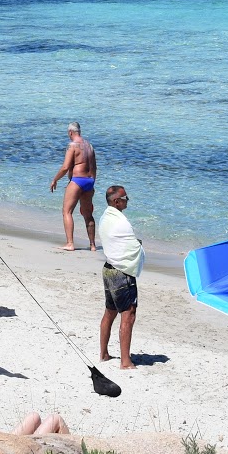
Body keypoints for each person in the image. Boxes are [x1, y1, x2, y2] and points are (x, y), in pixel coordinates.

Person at [98, 185, 141, 370]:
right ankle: (125, 362)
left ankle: (104, 354)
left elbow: (119, 243)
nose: (127, 200)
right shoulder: (121, 222)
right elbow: (132, 246)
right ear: (116, 201)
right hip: (121, 272)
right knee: (128, 314)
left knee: (110, 311)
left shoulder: (105, 217)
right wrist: (138, 245)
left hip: (108, 268)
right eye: (125, 198)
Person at [48, 122, 97, 251]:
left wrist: (55, 179)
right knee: (88, 213)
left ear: (70, 132)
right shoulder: (89, 146)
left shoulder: (72, 146)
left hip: (78, 180)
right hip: (89, 181)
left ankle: (70, 243)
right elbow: (94, 167)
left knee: (67, 211)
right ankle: (92, 245)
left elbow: (65, 167)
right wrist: (92, 182)